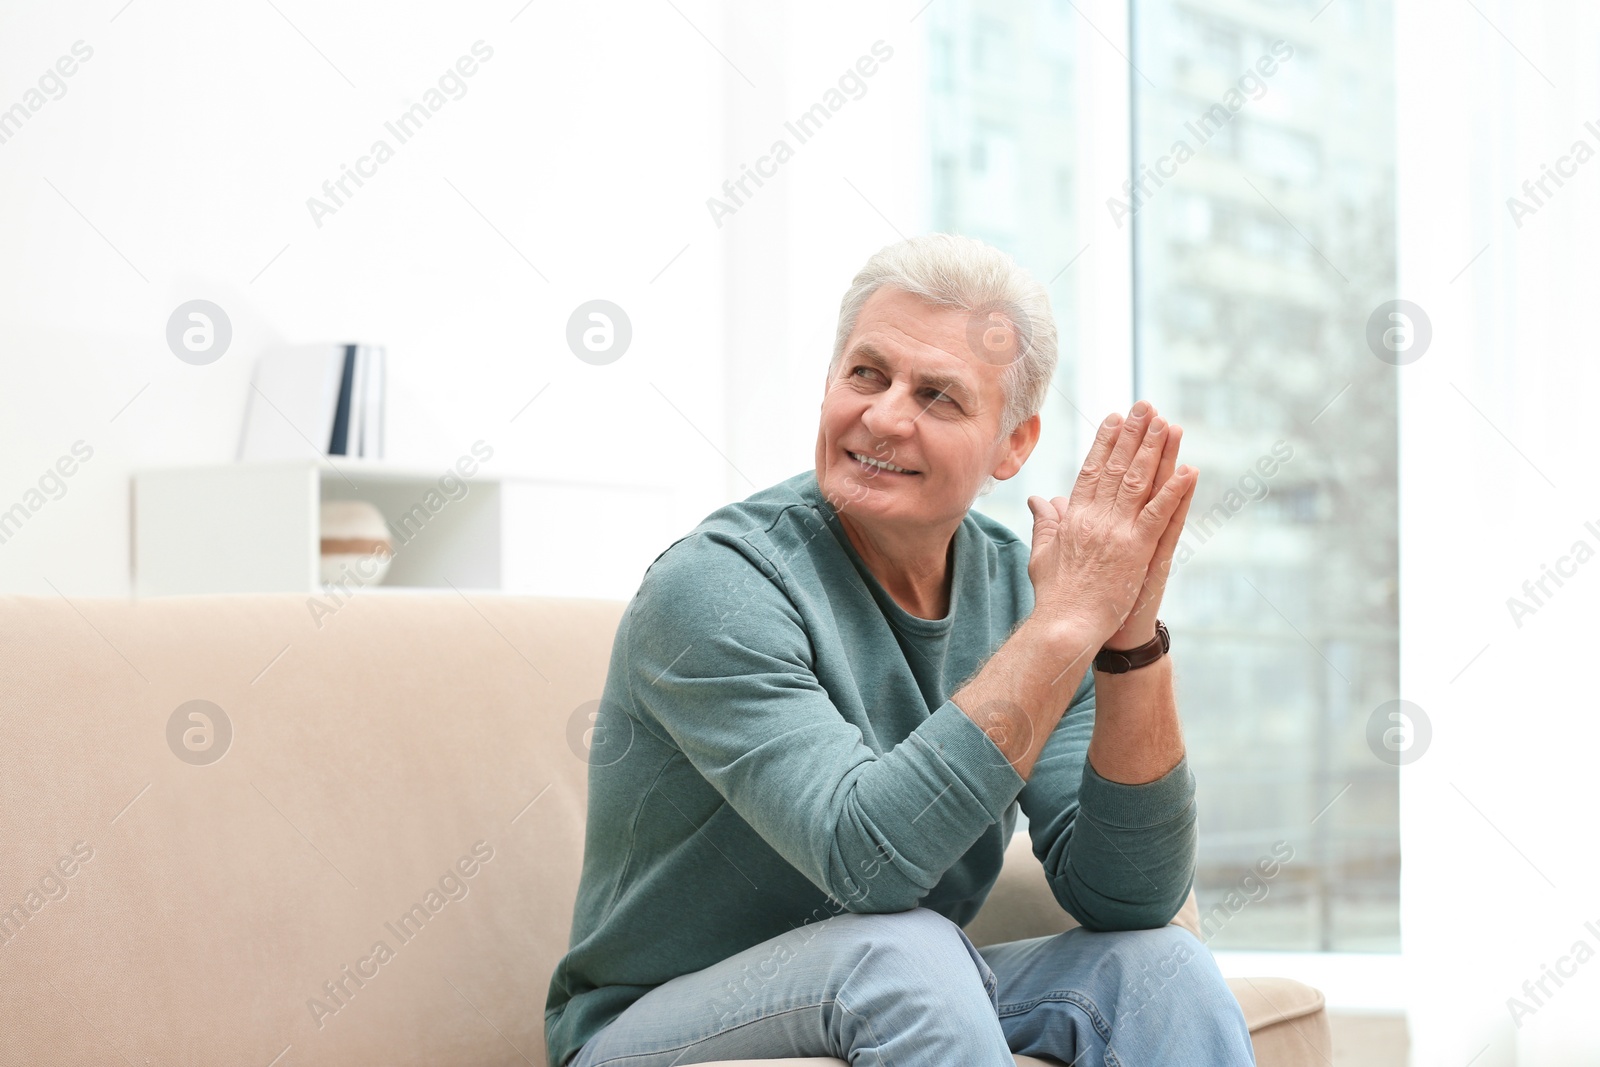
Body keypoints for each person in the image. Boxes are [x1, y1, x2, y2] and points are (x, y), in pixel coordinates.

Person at [545, 233, 1256, 1066]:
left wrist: (1125, 637)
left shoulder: (1024, 594)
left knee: (1161, 966)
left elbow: (1130, 895)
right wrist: (1064, 629)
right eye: (866, 374)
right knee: (907, 949)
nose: (883, 416)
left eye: (939, 397)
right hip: (649, 1025)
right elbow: (868, 863)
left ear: (1013, 445)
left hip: (885, 983)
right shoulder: (715, 588)